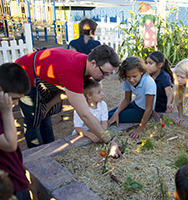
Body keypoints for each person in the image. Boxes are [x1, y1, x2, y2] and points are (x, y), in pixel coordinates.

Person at [16, 45, 122, 157]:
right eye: (104, 73)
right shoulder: (72, 70)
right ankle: (37, 158)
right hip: (23, 75)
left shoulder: (85, 66)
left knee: (45, 117)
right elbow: (85, 114)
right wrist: (109, 142)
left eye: (108, 74)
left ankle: (51, 152)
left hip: (44, 78)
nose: (105, 77)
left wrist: (47, 107)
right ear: (93, 64)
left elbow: (67, 90)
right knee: (33, 123)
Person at [0, 63, 31, 200]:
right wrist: (7, 112)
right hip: (8, 183)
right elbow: (10, 144)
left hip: (15, 174)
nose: (16, 103)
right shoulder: (4, 110)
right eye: (14, 98)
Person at [108, 56, 156, 140]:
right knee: (108, 115)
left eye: (134, 76)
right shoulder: (127, 80)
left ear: (141, 72)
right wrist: (116, 113)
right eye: (128, 76)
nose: (131, 80)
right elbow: (127, 99)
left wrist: (139, 129)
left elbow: (149, 108)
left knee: (108, 118)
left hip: (142, 111)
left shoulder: (148, 82)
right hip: (134, 104)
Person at [146, 51, 174, 118]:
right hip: (147, 105)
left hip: (159, 108)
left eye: (150, 63)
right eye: (146, 63)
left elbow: (169, 93)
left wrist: (169, 103)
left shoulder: (164, 77)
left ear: (160, 65)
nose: (147, 66)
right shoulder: (148, 75)